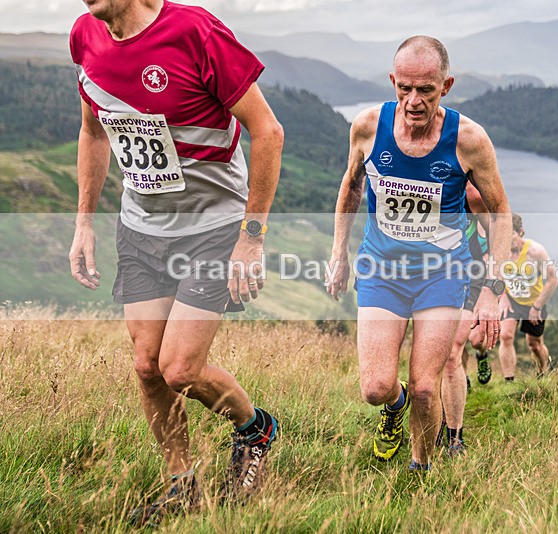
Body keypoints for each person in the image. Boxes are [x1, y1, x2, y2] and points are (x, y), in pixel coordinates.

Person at [68, 0, 283, 524]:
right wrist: (82, 223)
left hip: (212, 227)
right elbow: (95, 132)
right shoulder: (84, 36)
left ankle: (256, 429)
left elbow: (268, 130)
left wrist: (251, 238)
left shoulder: (195, 31)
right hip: (141, 229)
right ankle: (182, 483)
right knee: (147, 367)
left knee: (180, 368)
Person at [326, 36, 511, 471]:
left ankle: (420, 466)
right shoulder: (368, 127)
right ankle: (395, 406)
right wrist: (339, 251)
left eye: (425, 90)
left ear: (446, 86)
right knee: (375, 387)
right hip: (381, 270)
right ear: (392, 81)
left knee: (429, 386)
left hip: (441, 274)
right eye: (404, 88)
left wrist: (493, 288)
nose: (413, 101)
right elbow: (351, 185)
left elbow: (501, 211)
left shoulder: (469, 140)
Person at [439, 182, 495, 456]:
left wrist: (493, 287)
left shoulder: (471, 193)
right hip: (425, 273)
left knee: (451, 353)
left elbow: (497, 227)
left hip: (467, 273)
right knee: (434, 353)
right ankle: (435, 415)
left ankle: (454, 438)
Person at [498, 213, 558, 380]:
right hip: (511, 299)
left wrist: (537, 306)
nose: (507, 239)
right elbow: (495, 274)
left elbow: (553, 279)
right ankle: (509, 381)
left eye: (511, 234)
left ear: (521, 232)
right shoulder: (499, 250)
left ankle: (542, 374)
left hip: (534, 303)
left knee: (534, 345)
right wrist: (502, 296)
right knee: (505, 335)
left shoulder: (535, 252)